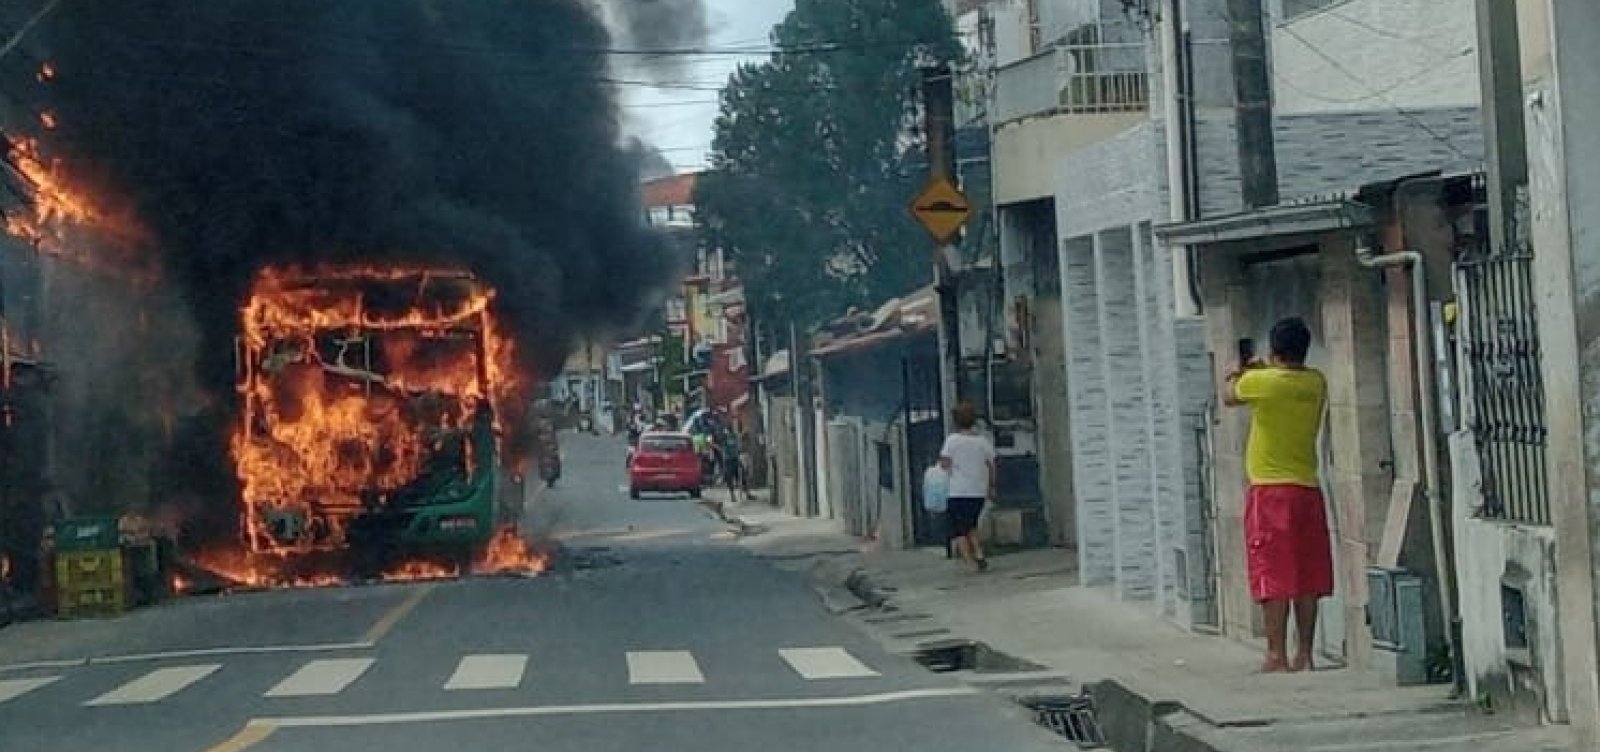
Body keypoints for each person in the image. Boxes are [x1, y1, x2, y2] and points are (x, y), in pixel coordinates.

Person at [1224, 317, 1332, 674]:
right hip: (1308, 488)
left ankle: (1275, 655)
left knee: (1273, 574)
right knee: (1307, 575)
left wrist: (1236, 371)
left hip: (1270, 491)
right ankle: (1306, 654)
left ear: (1274, 350)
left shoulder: (1261, 381)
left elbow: (1229, 396)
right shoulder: (1316, 382)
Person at [938, 402, 995, 572]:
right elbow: (992, 465)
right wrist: (991, 486)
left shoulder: (952, 440)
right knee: (970, 524)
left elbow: (944, 463)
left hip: (958, 491)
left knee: (957, 529)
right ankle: (979, 554)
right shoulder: (983, 442)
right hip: (977, 491)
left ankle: (969, 561)